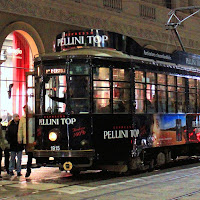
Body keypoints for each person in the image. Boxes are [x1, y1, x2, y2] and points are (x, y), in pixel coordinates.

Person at [18, 105, 35, 178]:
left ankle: (28, 169)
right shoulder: (23, 118)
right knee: (29, 155)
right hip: (27, 140)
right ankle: (28, 169)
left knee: (30, 155)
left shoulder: (33, 116)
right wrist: (20, 138)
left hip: (33, 139)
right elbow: (20, 129)